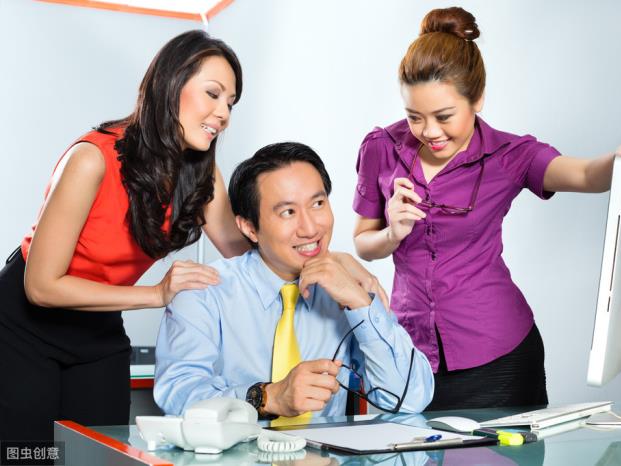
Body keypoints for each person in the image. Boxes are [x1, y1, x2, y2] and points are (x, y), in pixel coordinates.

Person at [352, 7, 621, 411]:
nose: (429, 131)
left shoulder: (510, 155)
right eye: (414, 117)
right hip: (412, 358)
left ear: (478, 98)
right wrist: (392, 233)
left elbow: (588, 174)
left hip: (500, 359)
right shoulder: (381, 148)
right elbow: (364, 243)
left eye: (444, 116)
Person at [0, 30, 249, 441]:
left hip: (97, 327)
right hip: (23, 325)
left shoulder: (202, 175)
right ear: (171, 85)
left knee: (101, 453)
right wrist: (157, 294)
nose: (223, 113)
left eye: (231, 102)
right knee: (29, 456)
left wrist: (309, 254)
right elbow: (41, 287)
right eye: (213, 93)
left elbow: (240, 250)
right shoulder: (91, 158)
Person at [154, 142, 433, 421]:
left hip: (323, 449)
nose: (310, 229)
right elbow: (178, 395)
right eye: (288, 212)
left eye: (318, 204)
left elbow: (410, 400)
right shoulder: (203, 292)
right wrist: (269, 397)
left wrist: (360, 304)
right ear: (249, 227)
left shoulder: (348, 289)